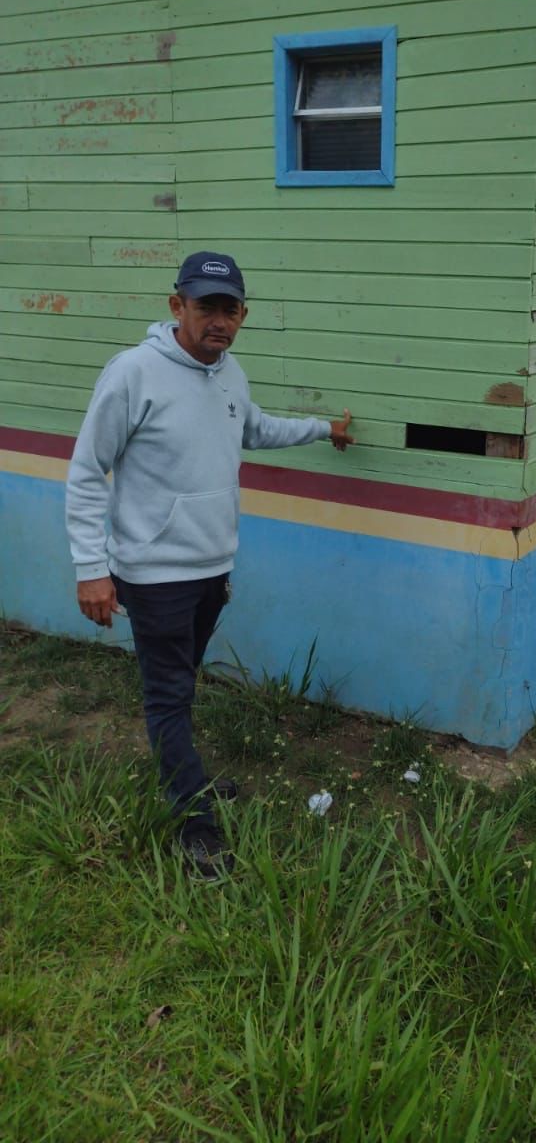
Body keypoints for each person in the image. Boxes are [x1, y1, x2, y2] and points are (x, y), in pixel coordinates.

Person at [65, 252, 354, 879]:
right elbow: (88, 472)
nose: (218, 321)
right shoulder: (133, 374)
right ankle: (195, 824)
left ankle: (182, 770)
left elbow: (253, 429)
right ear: (177, 307)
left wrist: (320, 427)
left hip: (212, 569)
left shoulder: (231, 373)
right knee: (167, 694)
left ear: (243, 315)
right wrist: (92, 567)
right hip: (153, 574)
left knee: (180, 684)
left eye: (230, 309)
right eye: (205, 307)